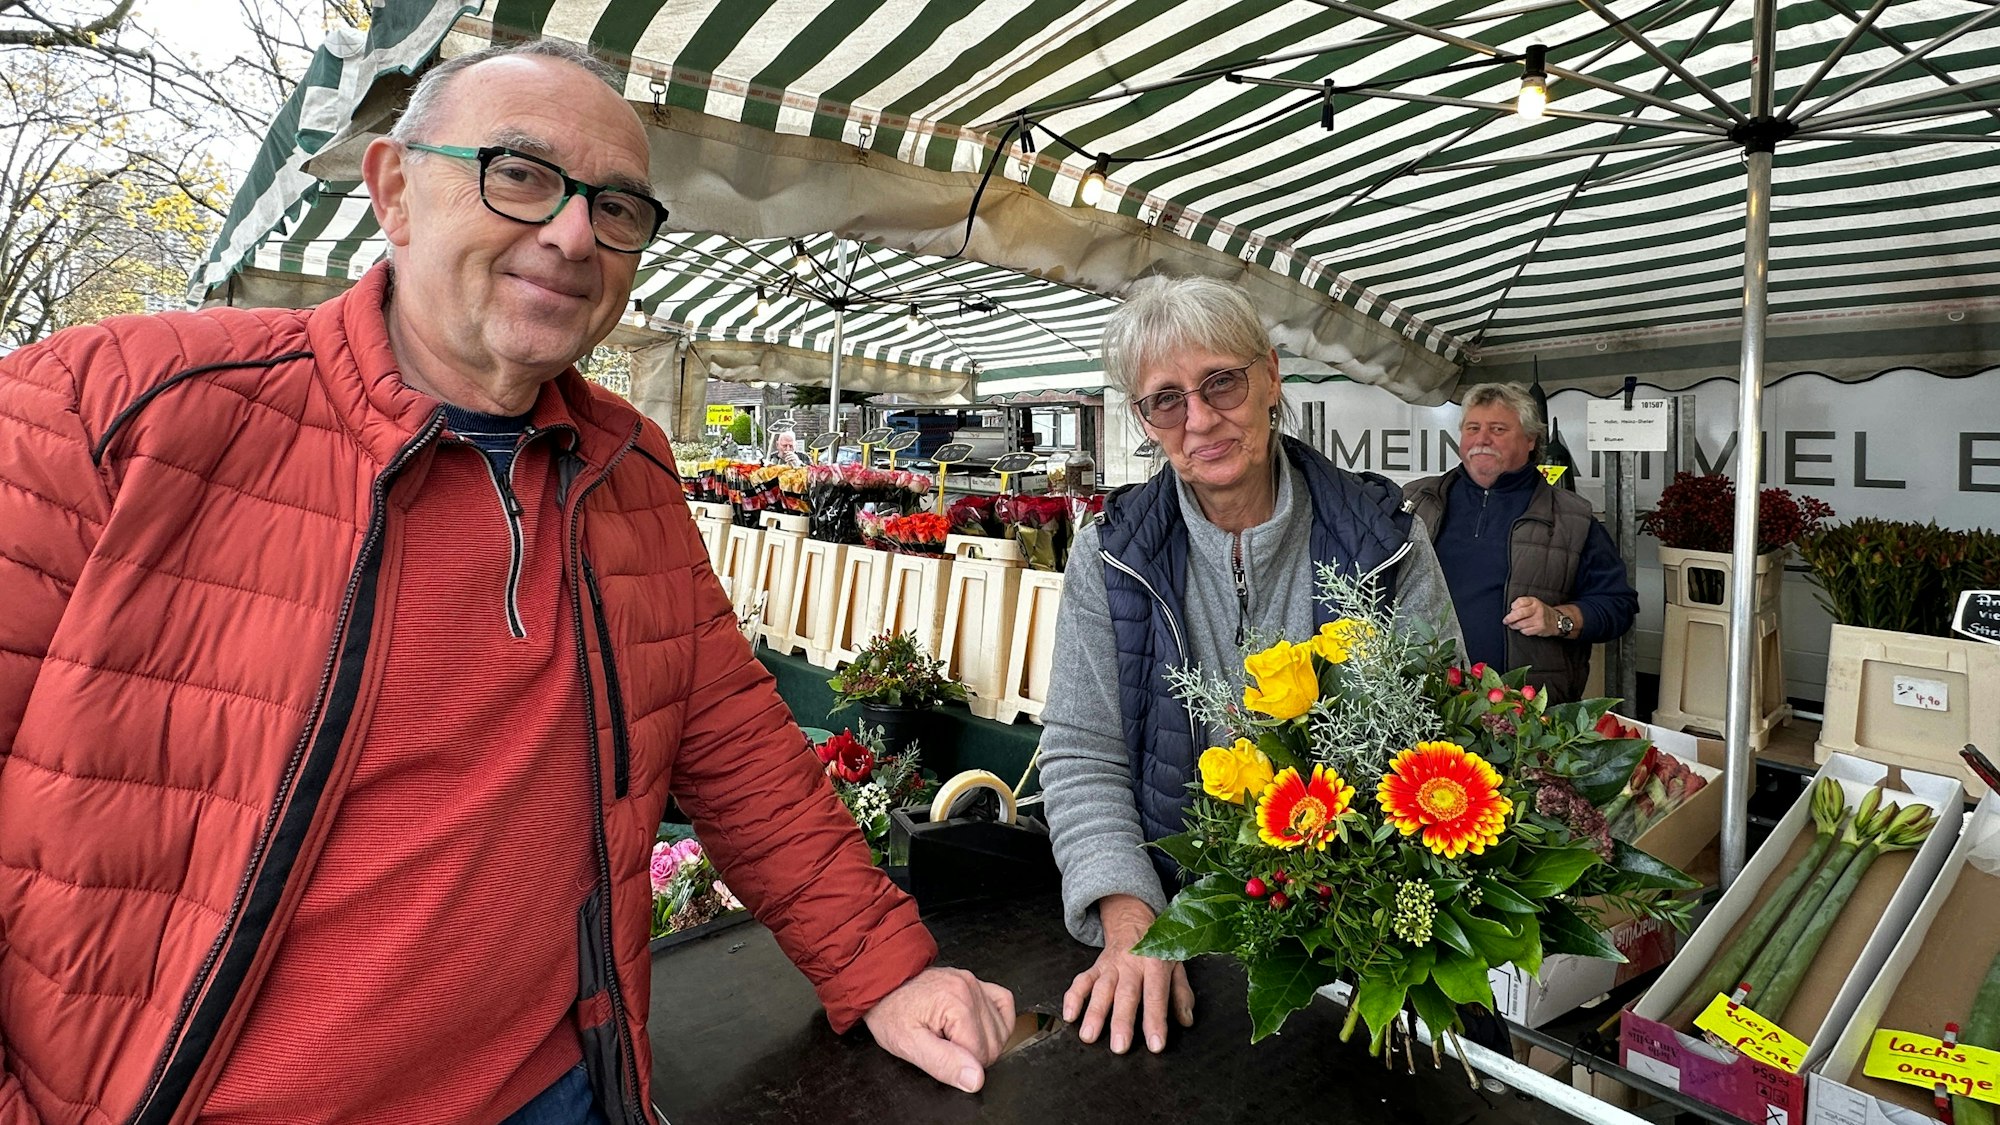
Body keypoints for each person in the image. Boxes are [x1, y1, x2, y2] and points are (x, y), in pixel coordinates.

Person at [0, 40, 1011, 1125]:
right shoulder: (105, 410)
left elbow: (730, 739)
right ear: (394, 188)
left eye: (617, 207)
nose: (573, 233)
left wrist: (880, 965)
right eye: (518, 174)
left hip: (563, 1091)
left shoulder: (626, 468)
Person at [1038, 275, 1464, 1058]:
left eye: (1221, 383)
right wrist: (1133, 921)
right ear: (1143, 418)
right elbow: (1082, 753)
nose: (1200, 419)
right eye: (1166, 400)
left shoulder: (1386, 542)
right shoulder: (1111, 556)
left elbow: (1439, 737)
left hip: (1351, 945)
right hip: (1177, 945)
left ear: (1271, 376)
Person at [1403, 382, 1639, 704]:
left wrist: (1558, 619)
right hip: (1422, 699)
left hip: (1522, 716)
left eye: (1498, 429)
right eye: (1473, 428)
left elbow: (1618, 606)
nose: (1482, 439)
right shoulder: (1415, 502)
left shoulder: (1572, 518)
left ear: (1531, 440)